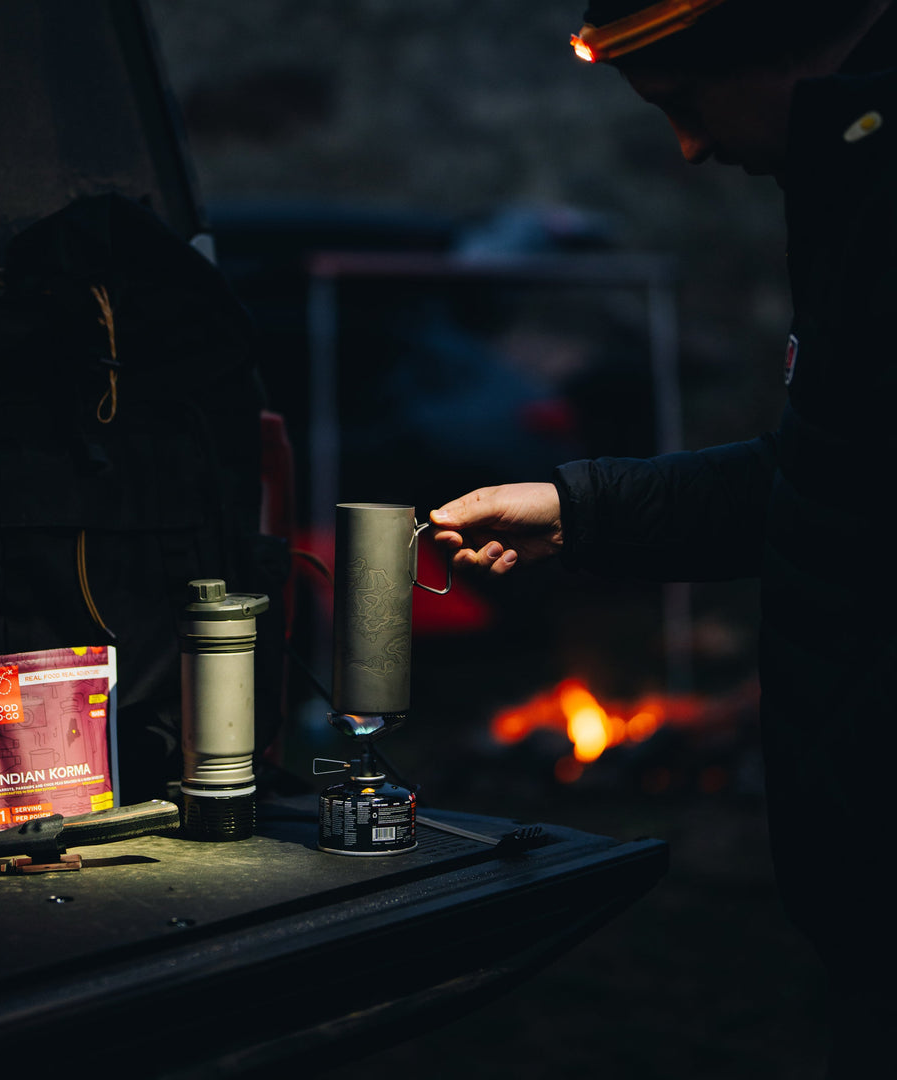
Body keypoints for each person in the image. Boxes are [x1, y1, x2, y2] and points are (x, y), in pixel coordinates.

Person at [431, 1, 897, 1075]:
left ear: (767, 41)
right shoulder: (852, 172)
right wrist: (578, 507)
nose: (686, 147)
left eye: (683, 103)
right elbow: (827, 477)